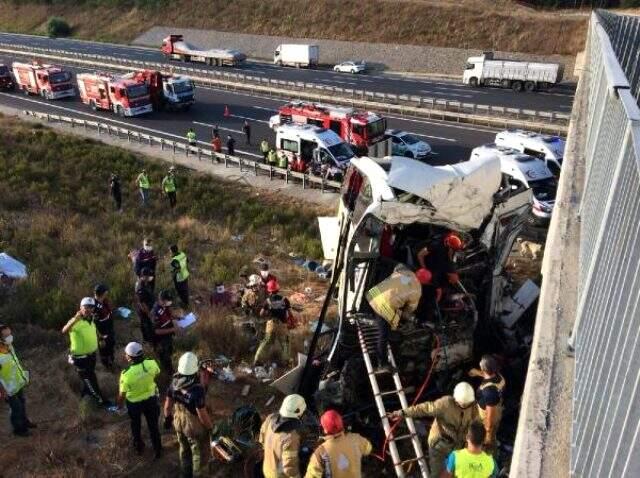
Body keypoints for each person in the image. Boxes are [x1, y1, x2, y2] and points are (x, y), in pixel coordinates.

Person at [388, 382, 478, 478]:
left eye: (466, 405)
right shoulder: (445, 404)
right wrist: (402, 413)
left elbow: (477, 425)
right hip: (439, 444)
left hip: (458, 445)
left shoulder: (473, 407)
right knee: (437, 474)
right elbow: (424, 409)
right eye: (461, 404)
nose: (464, 407)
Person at [365, 265, 431, 372]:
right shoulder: (417, 291)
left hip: (373, 294)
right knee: (385, 333)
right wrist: (414, 319)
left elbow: (397, 267)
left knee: (393, 316)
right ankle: (383, 363)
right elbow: (408, 311)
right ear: (425, 282)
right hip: (382, 306)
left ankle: (384, 325)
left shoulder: (406, 273)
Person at [164, 352, 214, 478]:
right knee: (199, 455)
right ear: (195, 370)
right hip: (193, 427)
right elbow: (202, 415)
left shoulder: (174, 383)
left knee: (184, 450)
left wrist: (167, 418)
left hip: (179, 423)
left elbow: (167, 406)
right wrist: (211, 428)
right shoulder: (197, 391)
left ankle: (185, 474)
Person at [117, 342, 162, 458]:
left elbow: (122, 394)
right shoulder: (151, 363)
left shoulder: (126, 374)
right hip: (151, 400)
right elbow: (157, 373)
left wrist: (120, 406)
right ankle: (158, 450)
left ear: (130, 357)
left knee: (136, 426)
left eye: (126, 354)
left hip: (134, 404)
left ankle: (139, 448)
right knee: (153, 427)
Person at [61, 297, 108, 406]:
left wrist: (100, 338)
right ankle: (100, 400)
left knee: (90, 377)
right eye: (86, 307)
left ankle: (85, 395)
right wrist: (75, 319)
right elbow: (64, 330)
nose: (89, 309)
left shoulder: (91, 319)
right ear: (81, 307)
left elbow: (94, 329)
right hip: (80, 358)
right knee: (90, 379)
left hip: (91, 356)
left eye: (91, 307)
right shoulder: (75, 321)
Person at [304, 409, 372, 478]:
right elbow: (368, 449)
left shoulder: (320, 452)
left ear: (325, 430)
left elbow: (311, 475)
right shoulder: (356, 439)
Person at [259, 394, 306, 478]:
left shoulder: (270, 418)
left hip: (267, 467)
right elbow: (289, 468)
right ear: (298, 411)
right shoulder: (291, 438)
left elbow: (262, 438)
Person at [0, 324, 34, 437]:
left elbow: (15, 362)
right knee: (16, 408)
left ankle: (25, 422)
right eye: (6, 335)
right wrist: (2, 391)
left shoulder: (9, 347)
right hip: (7, 387)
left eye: (10, 334)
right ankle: (19, 430)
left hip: (17, 382)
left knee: (22, 402)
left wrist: (23, 377)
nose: (10, 337)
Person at [469, 355, 506, 452]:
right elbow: (489, 375)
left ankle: (490, 451)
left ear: (484, 369)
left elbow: (490, 416)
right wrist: (477, 373)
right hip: (498, 409)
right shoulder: (499, 376)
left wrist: (487, 432)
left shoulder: (489, 391)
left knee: (488, 440)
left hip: (488, 416)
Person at [253, 280, 291, 366]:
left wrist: (268, 312)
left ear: (269, 290)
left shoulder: (267, 301)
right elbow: (289, 313)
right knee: (285, 343)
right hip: (282, 325)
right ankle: (286, 362)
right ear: (277, 289)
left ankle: (257, 359)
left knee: (266, 341)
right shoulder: (285, 300)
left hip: (271, 324)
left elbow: (261, 314)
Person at [150, 290, 180, 375]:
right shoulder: (155, 313)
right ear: (162, 300)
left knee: (169, 352)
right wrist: (173, 329)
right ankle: (169, 374)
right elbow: (157, 331)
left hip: (167, 336)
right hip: (160, 340)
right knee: (165, 358)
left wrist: (177, 317)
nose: (170, 303)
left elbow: (169, 315)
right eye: (168, 301)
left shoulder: (164, 306)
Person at [94, 283, 115, 370]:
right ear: (103, 293)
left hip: (109, 328)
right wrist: (100, 337)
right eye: (106, 292)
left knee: (111, 345)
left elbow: (108, 313)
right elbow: (95, 324)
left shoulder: (104, 301)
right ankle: (107, 366)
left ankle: (112, 361)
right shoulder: (94, 307)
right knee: (104, 350)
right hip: (102, 332)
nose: (107, 293)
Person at [135, 267, 156, 343]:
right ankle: (148, 341)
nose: (149, 277)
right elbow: (142, 303)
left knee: (148, 325)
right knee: (146, 325)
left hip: (149, 308)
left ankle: (149, 339)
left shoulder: (145, 283)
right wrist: (149, 314)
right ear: (143, 276)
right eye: (148, 276)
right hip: (144, 311)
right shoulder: (140, 287)